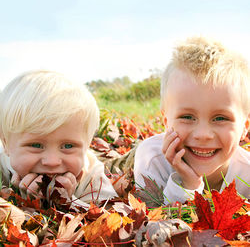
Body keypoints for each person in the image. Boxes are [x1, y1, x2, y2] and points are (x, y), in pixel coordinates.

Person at [134, 36, 250, 205]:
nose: (203, 135)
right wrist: (187, 184)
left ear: (245, 127)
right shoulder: (151, 161)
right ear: (166, 122)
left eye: (220, 118)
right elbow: (155, 221)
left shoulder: (247, 172)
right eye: (187, 117)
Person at [0, 70, 117, 207]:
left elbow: (109, 216)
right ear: (6, 144)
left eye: (68, 146)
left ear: (86, 146)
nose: (52, 162)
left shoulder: (92, 175)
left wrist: (69, 203)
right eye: (36, 145)